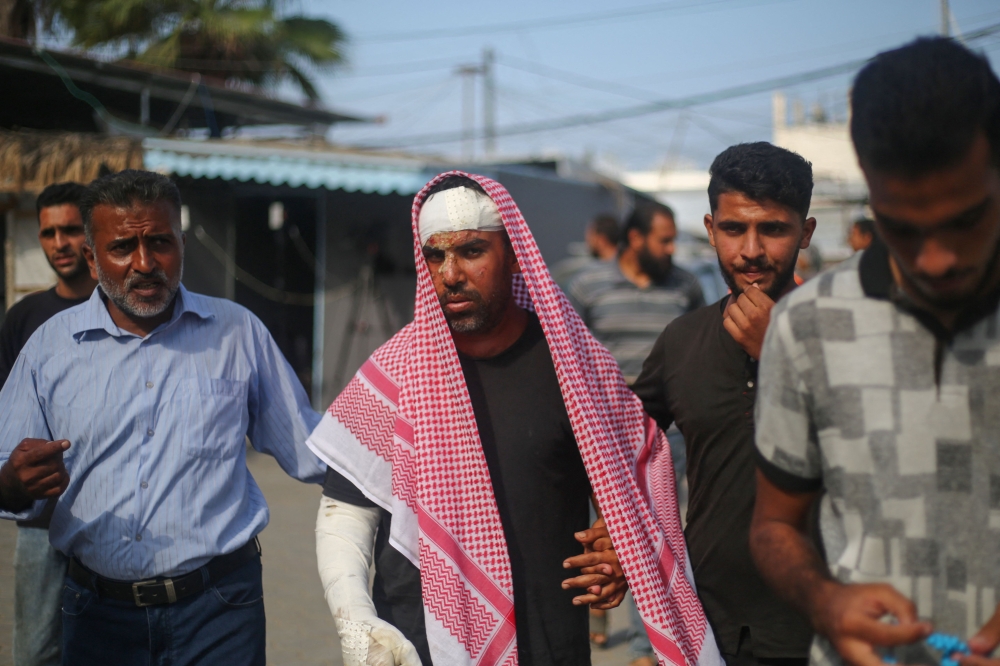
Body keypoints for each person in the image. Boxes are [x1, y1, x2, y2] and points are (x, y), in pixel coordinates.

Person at [306, 172, 722, 666]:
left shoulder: (573, 365)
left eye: (472, 251)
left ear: (514, 254)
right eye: (435, 256)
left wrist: (621, 547)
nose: (451, 273)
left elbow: (630, 484)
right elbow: (345, 513)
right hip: (419, 647)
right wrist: (354, 618)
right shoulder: (395, 373)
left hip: (549, 645)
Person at [0, 169, 326, 665]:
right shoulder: (49, 347)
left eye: (160, 242)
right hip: (96, 618)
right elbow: (6, 465)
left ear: (180, 242)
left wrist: (415, 454)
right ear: (92, 257)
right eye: (122, 248)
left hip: (219, 611)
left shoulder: (237, 333)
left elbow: (311, 446)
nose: (145, 263)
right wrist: (13, 482)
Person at [749, 37, 1000, 666]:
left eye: (965, 221)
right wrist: (825, 602)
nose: (936, 259)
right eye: (904, 228)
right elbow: (775, 526)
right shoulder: (808, 326)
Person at [631, 142, 818, 666]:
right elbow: (621, 444)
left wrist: (776, 354)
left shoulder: (850, 333)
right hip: (711, 626)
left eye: (774, 229)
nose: (750, 251)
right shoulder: (682, 340)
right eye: (734, 229)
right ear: (711, 230)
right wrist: (619, 540)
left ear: (805, 233)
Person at [0, 182, 96, 666]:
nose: (59, 243)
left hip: (110, 513)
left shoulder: (123, 311)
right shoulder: (25, 318)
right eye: (48, 232)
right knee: (35, 652)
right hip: (41, 518)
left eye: (71, 229)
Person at [568, 201, 704, 383]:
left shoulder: (686, 285)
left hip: (667, 406)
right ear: (636, 238)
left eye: (673, 240)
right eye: (664, 241)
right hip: (607, 406)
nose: (672, 249)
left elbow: (701, 347)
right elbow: (568, 351)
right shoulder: (587, 285)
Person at [550, 213, 620, 290]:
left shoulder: (587, 276)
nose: (587, 242)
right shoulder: (630, 270)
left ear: (601, 240)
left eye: (590, 236)